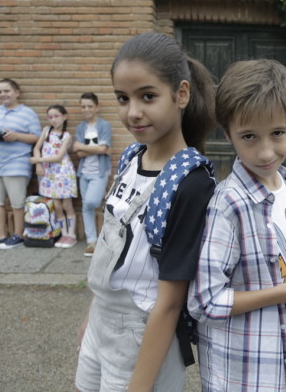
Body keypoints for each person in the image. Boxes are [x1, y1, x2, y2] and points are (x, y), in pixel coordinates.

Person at [188, 59, 286, 392]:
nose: (265, 152)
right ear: (228, 132)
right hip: (248, 374)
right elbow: (204, 301)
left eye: (278, 133)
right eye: (249, 136)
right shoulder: (228, 205)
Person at [74, 32, 216, 392]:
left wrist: (139, 385)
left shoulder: (191, 182)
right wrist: (94, 314)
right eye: (122, 98)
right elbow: (115, 242)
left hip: (144, 335)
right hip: (102, 324)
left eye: (147, 96)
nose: (132, 112)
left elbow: (169, 302)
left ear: (181, 94)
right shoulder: (130, 158)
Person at [0, 78, 42, 249]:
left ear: (16, 92)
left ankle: (18, 235)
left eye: (6, 91)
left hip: (17, 164)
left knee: (17, 202)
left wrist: (16, 136)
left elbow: (37, 138)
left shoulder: (28, 113)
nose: (2, 94)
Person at [30, 105, 79, 248]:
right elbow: (36, 148)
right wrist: (39, 164)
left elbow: (58, 157)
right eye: (50, 117)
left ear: (64, 116)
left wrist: (39, 160)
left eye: (56, 116)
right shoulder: (46, 131)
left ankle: (71, 234)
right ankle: (63, 234)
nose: (53, 120)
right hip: (48, 173)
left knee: (66, 204)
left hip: (63, 173)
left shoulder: (66, 136)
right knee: (56, 205)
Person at [72, 93, 112, 257]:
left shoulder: (104, 125)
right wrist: (93, 148)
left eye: (89, 106)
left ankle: (104, 238)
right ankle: (91, 241)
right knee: (86, 207)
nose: (86, 109)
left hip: (100, 172)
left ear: (97, 107)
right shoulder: (80, 128)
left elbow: (104, 149)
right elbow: (78, 153)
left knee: (91, 201)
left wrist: (83, 147)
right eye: (83, 106)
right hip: (84, 172)